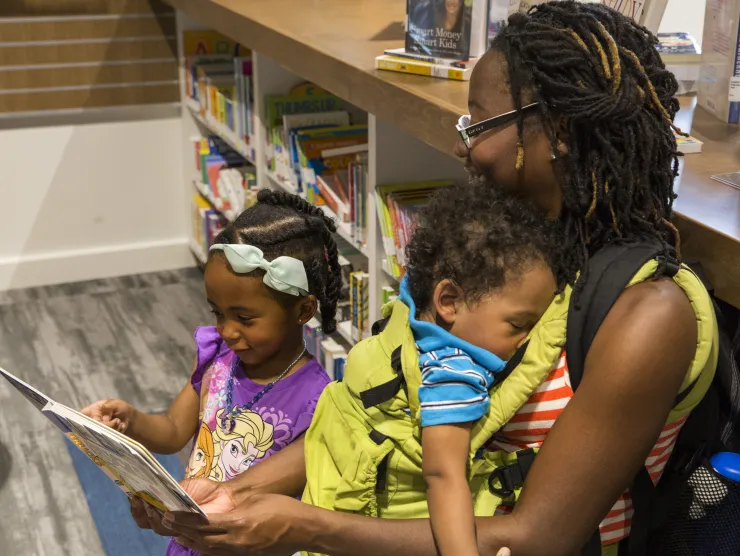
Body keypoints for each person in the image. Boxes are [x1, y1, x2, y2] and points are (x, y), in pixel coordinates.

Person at [144, 3, 718, 555]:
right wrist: (230, 494)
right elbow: (377, 419)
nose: (461, 144)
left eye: (479, 123)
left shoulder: (647, 314)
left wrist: (306, 527)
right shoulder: (497, 256)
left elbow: (538, 537)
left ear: (559, 130)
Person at [81, 189, 342, 556]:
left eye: (245, 318)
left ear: (303, 311)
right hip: (191, 539)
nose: (227, 331)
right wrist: (132, 420)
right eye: (217, 313)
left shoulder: (320, 398)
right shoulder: (217, 357)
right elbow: (173, 430)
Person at [403, 185, 558, 556]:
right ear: (449, 301)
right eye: (518, 325)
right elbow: (443, 474)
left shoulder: (409, 307)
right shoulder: (455, 375)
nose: (526, 343)